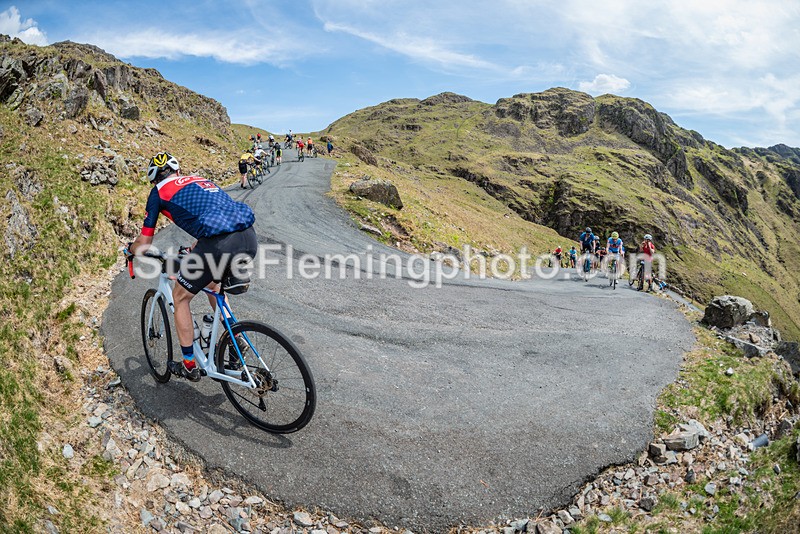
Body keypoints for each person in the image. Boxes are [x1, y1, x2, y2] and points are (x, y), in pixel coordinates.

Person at [128, 153, 257, 381]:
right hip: (248, 236)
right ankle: (236, 339)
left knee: (180, 297)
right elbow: (217, 216)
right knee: (213, 286)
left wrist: (131, 250)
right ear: (177, 170)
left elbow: (145, 242)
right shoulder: (200, 180)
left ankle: (188, 364)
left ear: (154, 178)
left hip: (218, 244)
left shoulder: (158, 192)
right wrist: (196, 248)